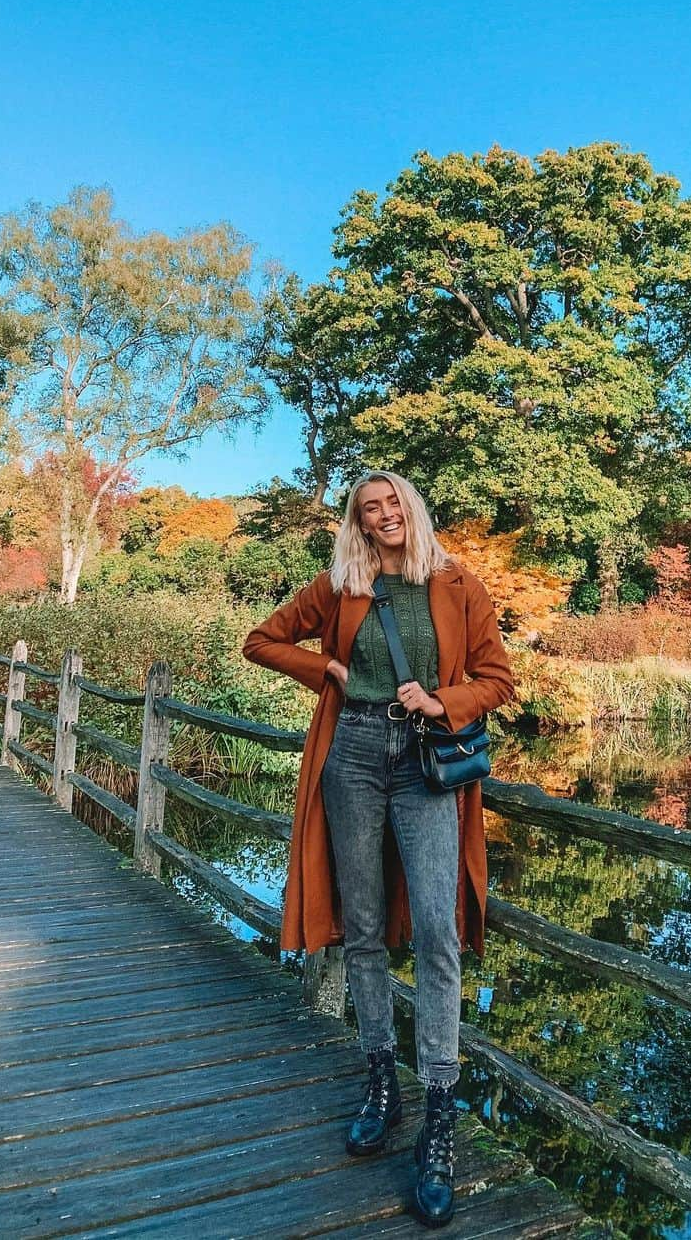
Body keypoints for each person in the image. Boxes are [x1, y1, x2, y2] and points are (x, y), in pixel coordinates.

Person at [241, 470, 515, 1228]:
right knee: (361, 929)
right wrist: (323, 666)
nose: (385, 515)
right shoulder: (338, 583)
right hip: (353, 755)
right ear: (358, 523)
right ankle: (379, 1081)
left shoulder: (457, 580)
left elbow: (499, 677)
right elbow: (260, 639)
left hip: (425, 760)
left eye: (393, 503)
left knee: (436, 929)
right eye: (371, 509)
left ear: (412, 508)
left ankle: (437, 1112)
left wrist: (441, 700)